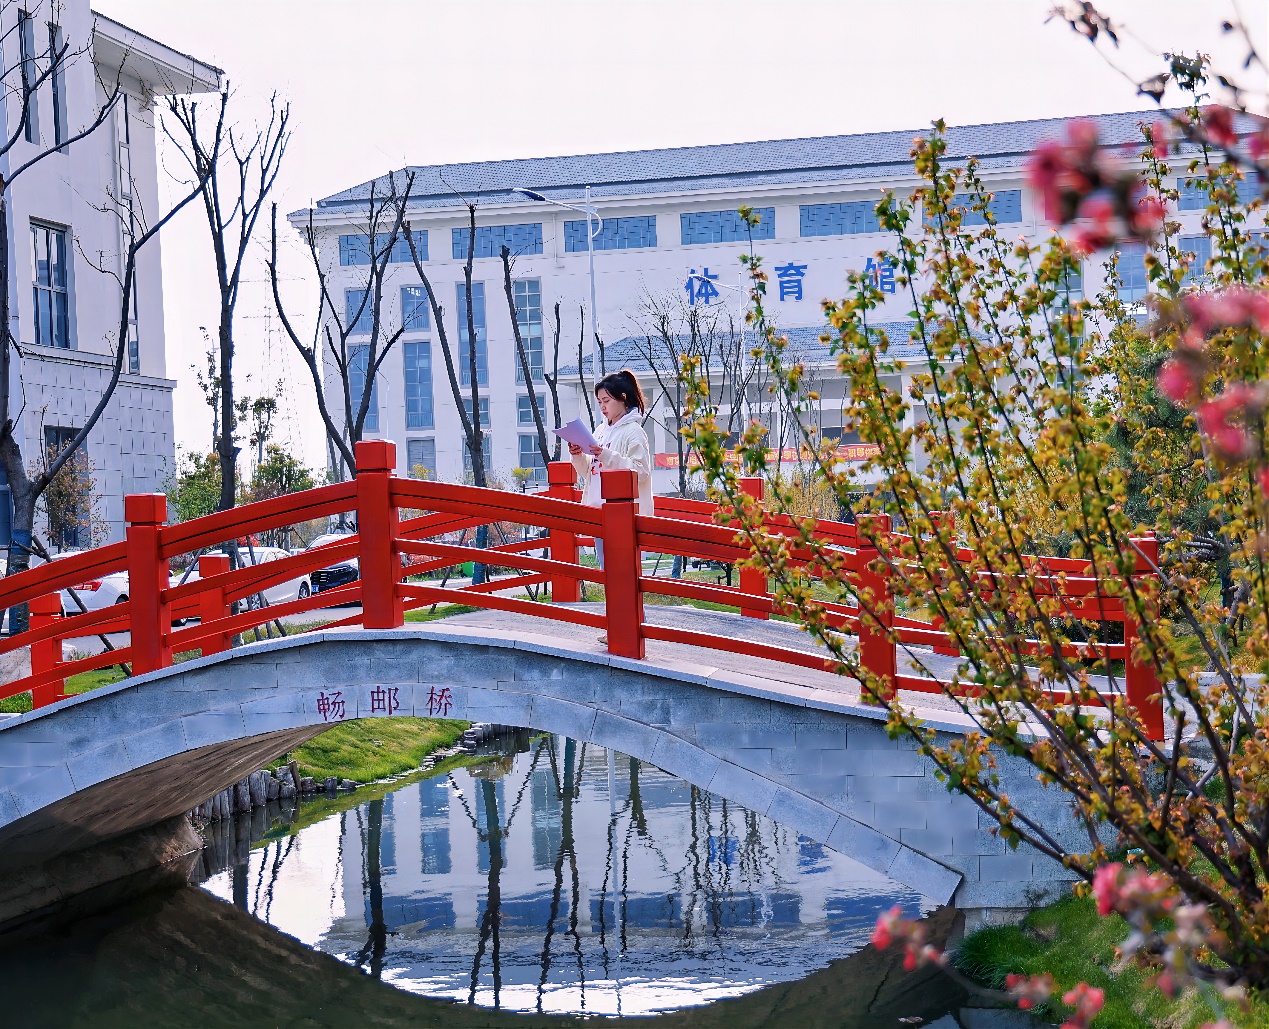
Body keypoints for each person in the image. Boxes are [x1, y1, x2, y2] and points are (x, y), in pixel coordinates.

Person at [568, 368, 653, 569]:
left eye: (606, 401)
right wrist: (578, 455)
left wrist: (606, 455)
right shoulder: (601, 431)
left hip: (623, 512)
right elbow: (591, 472)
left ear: (622, 398)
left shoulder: (634, 431)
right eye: (599, 402)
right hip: (599, 507)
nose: (602, 407)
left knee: (621, 568)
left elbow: (640, 471)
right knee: (607, 567)